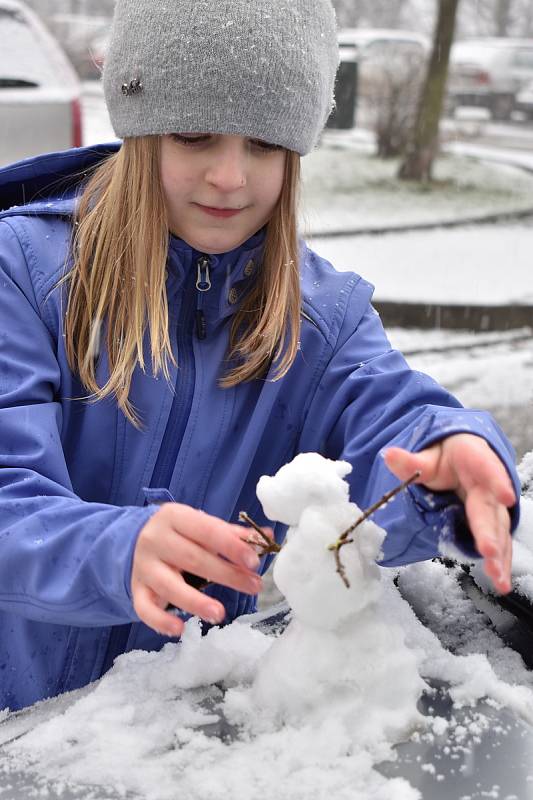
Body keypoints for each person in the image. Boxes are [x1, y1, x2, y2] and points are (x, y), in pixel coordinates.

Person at [0, 0, 519, 713]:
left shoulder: (320, 316)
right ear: (138, 126)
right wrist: (114, 551)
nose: (229, 177)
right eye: (194, 135)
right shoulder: (25, 273)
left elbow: (388, 414)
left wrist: (447, 457)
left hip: (166, 739)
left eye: (265, 144)